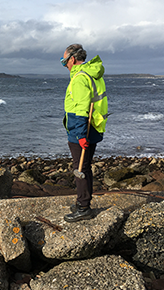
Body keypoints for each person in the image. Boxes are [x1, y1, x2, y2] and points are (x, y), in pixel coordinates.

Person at [60, 44, 108, 222]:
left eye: (64, 61)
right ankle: (83, 202)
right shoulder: (92, 73)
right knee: (85, 165)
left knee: (80, 168)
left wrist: (80, 135)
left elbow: (82, 108)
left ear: (72, 59)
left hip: (82, 128)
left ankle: (83, 207)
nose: (65, 65)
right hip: (93, 125)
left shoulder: (80, 78)